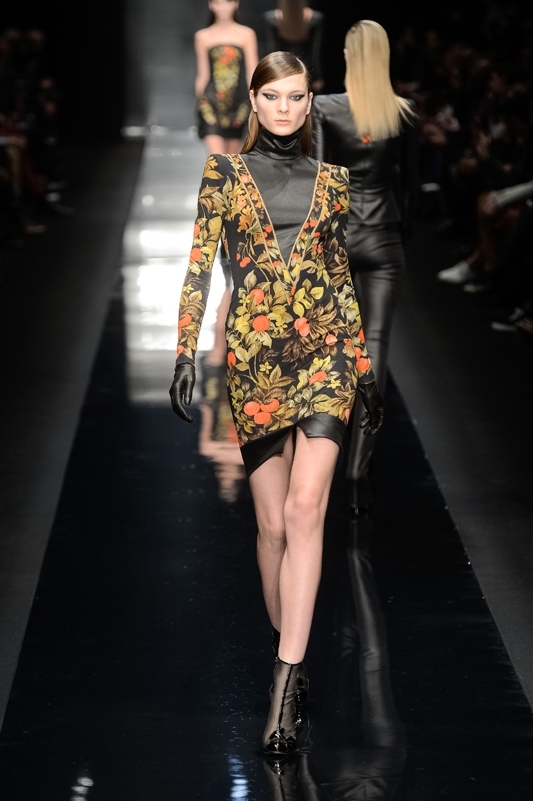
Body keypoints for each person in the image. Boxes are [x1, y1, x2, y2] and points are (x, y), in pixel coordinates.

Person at [169, 51, 385, 755]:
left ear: (308, 102)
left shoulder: (333, 180)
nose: (285, 109)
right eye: (274, 97)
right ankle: (285, 639)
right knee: (269, 528)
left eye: (296, 97)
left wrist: (361, 367)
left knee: (303, 510)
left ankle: (284, 685)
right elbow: (200, 264)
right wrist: (184, 351)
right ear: (255, 103)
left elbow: (339, 278)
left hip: (325, 357)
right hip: (257, 361)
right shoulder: (224, 175)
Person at [312, 20, 418, 514]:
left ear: (349, 56)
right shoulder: (403, 112)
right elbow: (410, 188)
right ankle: (358, 467)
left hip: (337, 238)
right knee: (375, 349)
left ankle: (323, 461)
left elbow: (317, 180)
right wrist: (399, 237)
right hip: (384, 237)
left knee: (331, 350)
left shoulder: (325, 108)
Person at [195, 0, 258, 155]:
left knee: (231, 161)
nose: (223, 8)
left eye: (227, 3)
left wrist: (256, 100)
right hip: (211, 101)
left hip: (239, 103)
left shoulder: (247, 34)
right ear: (211, 5)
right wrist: (199, 103)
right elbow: (203, 73)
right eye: (218, 3)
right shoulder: (202, 36)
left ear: (235, 4)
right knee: (217, 160)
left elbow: (252, 71)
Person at [263, 1, 324, 92]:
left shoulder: (271, 18)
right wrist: (317, 77)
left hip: (282, 71)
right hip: (306, 72)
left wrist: (271, 76)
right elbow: (315, 54)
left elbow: (272, 51)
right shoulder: (315, 18)